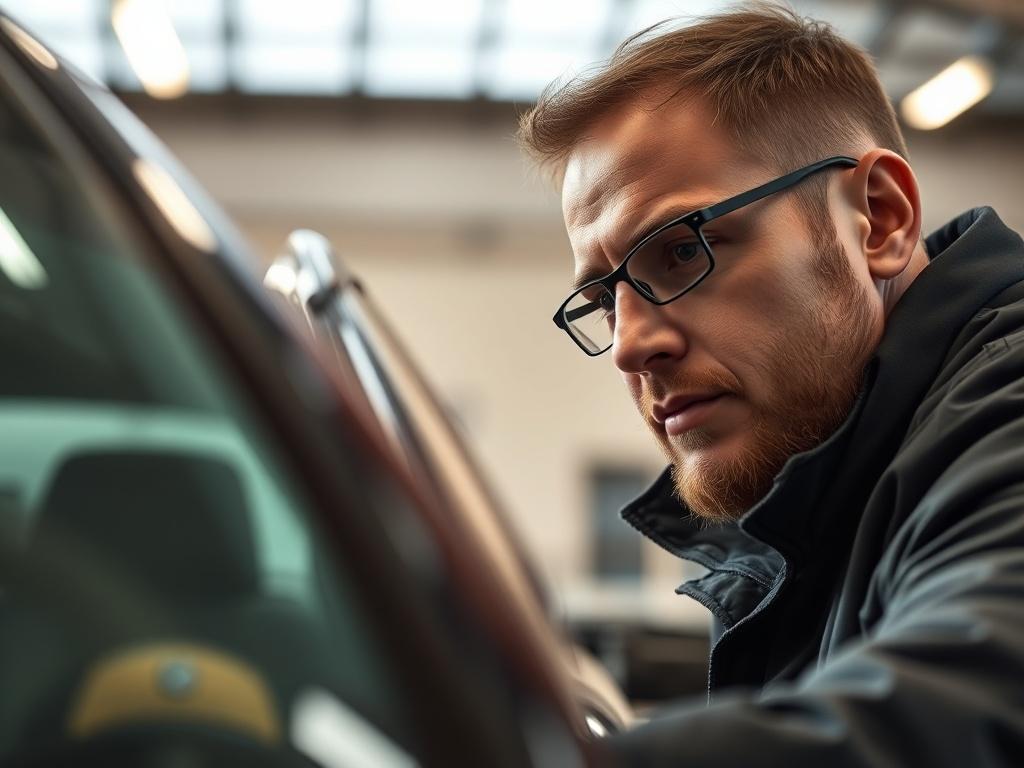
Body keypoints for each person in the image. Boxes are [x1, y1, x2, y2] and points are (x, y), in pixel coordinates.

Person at [518, 3, 1024, 765]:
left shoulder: (1006, 410)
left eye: (682, 252)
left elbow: (958, 715)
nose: (629, 347)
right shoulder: (827, 472)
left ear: (880, 220)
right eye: (601, 300)